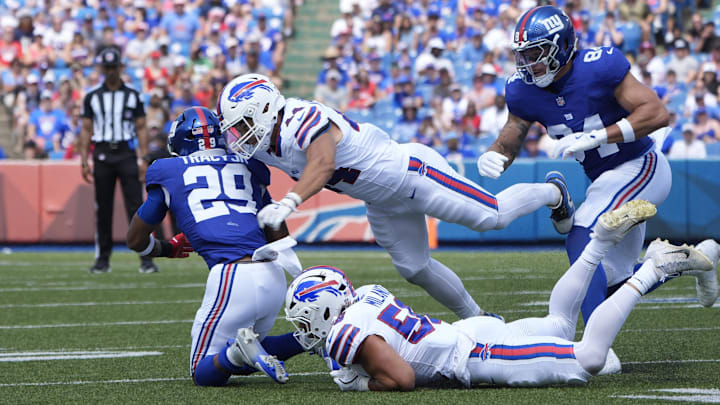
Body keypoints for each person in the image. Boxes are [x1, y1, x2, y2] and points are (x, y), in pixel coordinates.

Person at [475, 6, 718, 371]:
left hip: (640, 166)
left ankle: (595, 347)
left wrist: (601, 135)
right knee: (608, 285)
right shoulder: (522, 90)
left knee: (582, 233)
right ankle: (688, 261)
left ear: (560, 47)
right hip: (607, 180)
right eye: (521, 55)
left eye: (535, 53)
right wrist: (496, 153)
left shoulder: (599, 65)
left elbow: (656, 113)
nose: (527, 64)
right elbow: (513, 133)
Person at [217, 73, 574, 321]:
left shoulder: (300, 116)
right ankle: (478, 318)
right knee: (414, 267)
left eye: (242, 124)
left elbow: (323, 163)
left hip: (413, 174)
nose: (240, 135)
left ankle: (553, 192)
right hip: (381, 201)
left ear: (265, 110)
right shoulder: (263, 144)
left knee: (491, 216)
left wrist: (289, 202)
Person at [285, 200, 719, 391]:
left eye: (307, 320)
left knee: (589, 358)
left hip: (475, 354)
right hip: (468, 334)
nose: (306, 332)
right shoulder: (365, 295)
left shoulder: (345, 333)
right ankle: (600, 241)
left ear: (326, 311)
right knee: (558, 324)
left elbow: (401, 379)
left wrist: (361, 385)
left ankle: (652, 268)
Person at [126, 107, 306, 386]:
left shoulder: (168, 169)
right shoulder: (248, 164)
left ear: (181, 140)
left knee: (203, 370)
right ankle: (307, 339)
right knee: (244, 357)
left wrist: (164, 249)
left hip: (232, 275)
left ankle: (237, 351)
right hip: (273, 273)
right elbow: (277, 229)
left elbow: (135, 239)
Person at [77, 46, 157, 274]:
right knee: (103, 209)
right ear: (102, 68)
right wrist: (84, 160)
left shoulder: (132, 95)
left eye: (114, 67)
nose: (111, 71)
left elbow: (141, 128)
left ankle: (146, 258)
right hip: (102, 153)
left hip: (125, 152)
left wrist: (144, 158)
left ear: (120, 67)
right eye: (108, 67)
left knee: (137, 208)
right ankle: (103, 259)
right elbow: (85, 129)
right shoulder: (92, 96)